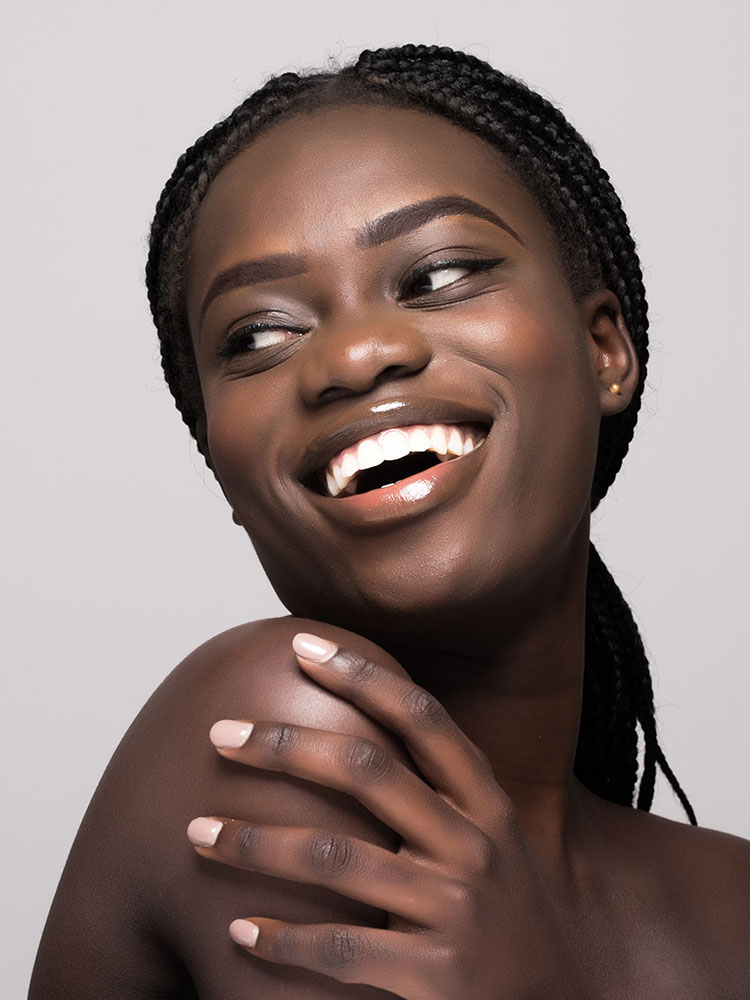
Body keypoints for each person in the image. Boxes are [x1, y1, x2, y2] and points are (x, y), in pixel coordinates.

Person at [29, 44, 750, 1000]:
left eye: (442, 274)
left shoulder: (731, 897)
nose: (356, 355)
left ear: (604, 349)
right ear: (221, 468)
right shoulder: (287, 737)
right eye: (259, 335)